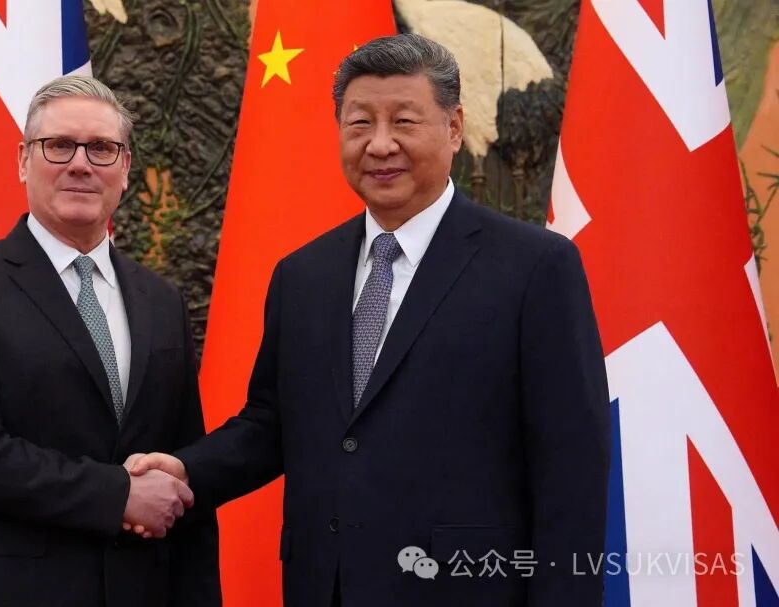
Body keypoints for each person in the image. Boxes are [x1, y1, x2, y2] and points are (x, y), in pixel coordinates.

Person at [129, 33, 610, 607]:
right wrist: (185, 470)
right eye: (360, 124)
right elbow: (272, 423)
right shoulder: (302, 275)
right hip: (324, 586)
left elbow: (571, 465)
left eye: (404, 121)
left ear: (454, 127)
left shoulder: (535, 267)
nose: (380, 145)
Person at [0, 75, 221, 607]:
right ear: (23, 160)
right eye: (58, 145)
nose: (80, 164)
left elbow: (181, 463)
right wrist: (118, 495)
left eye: (101, 148)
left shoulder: (161, 300)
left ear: (125, 168)